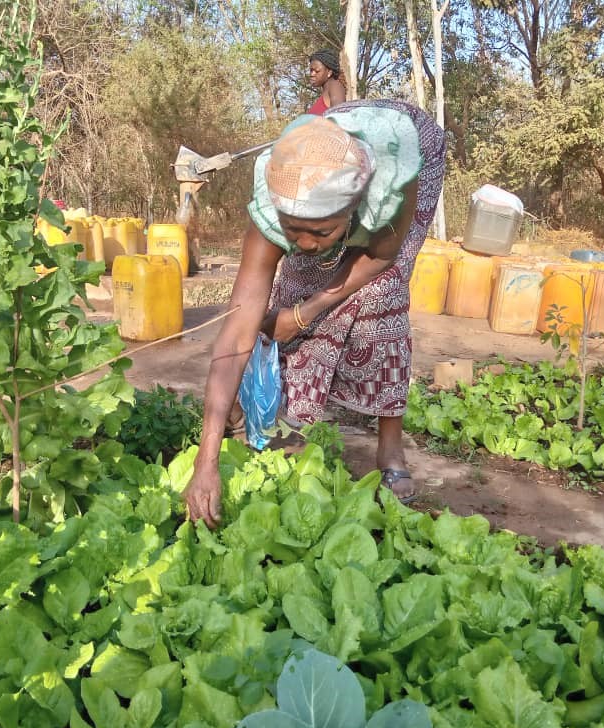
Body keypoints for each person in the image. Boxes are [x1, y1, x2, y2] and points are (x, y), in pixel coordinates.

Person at [183, 99, 446, 528]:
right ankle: (291, 416)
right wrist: (205, 460)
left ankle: (391, 446)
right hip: (321, 162)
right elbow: (235, 333)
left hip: (408, 146)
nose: (304, 243)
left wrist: (308, 311)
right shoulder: (275, 206)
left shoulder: (392, 184)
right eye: (293, 231)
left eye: (321, 231)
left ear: (354, 209)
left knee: (381, 293)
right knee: (297, 283)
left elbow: (381, 257)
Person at [306, 50, 346, 116]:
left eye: (317, 71)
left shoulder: (335, 86)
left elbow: (338, 118)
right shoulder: (326, 91)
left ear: (329, 73)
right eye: (311, 70)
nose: (312, 74)